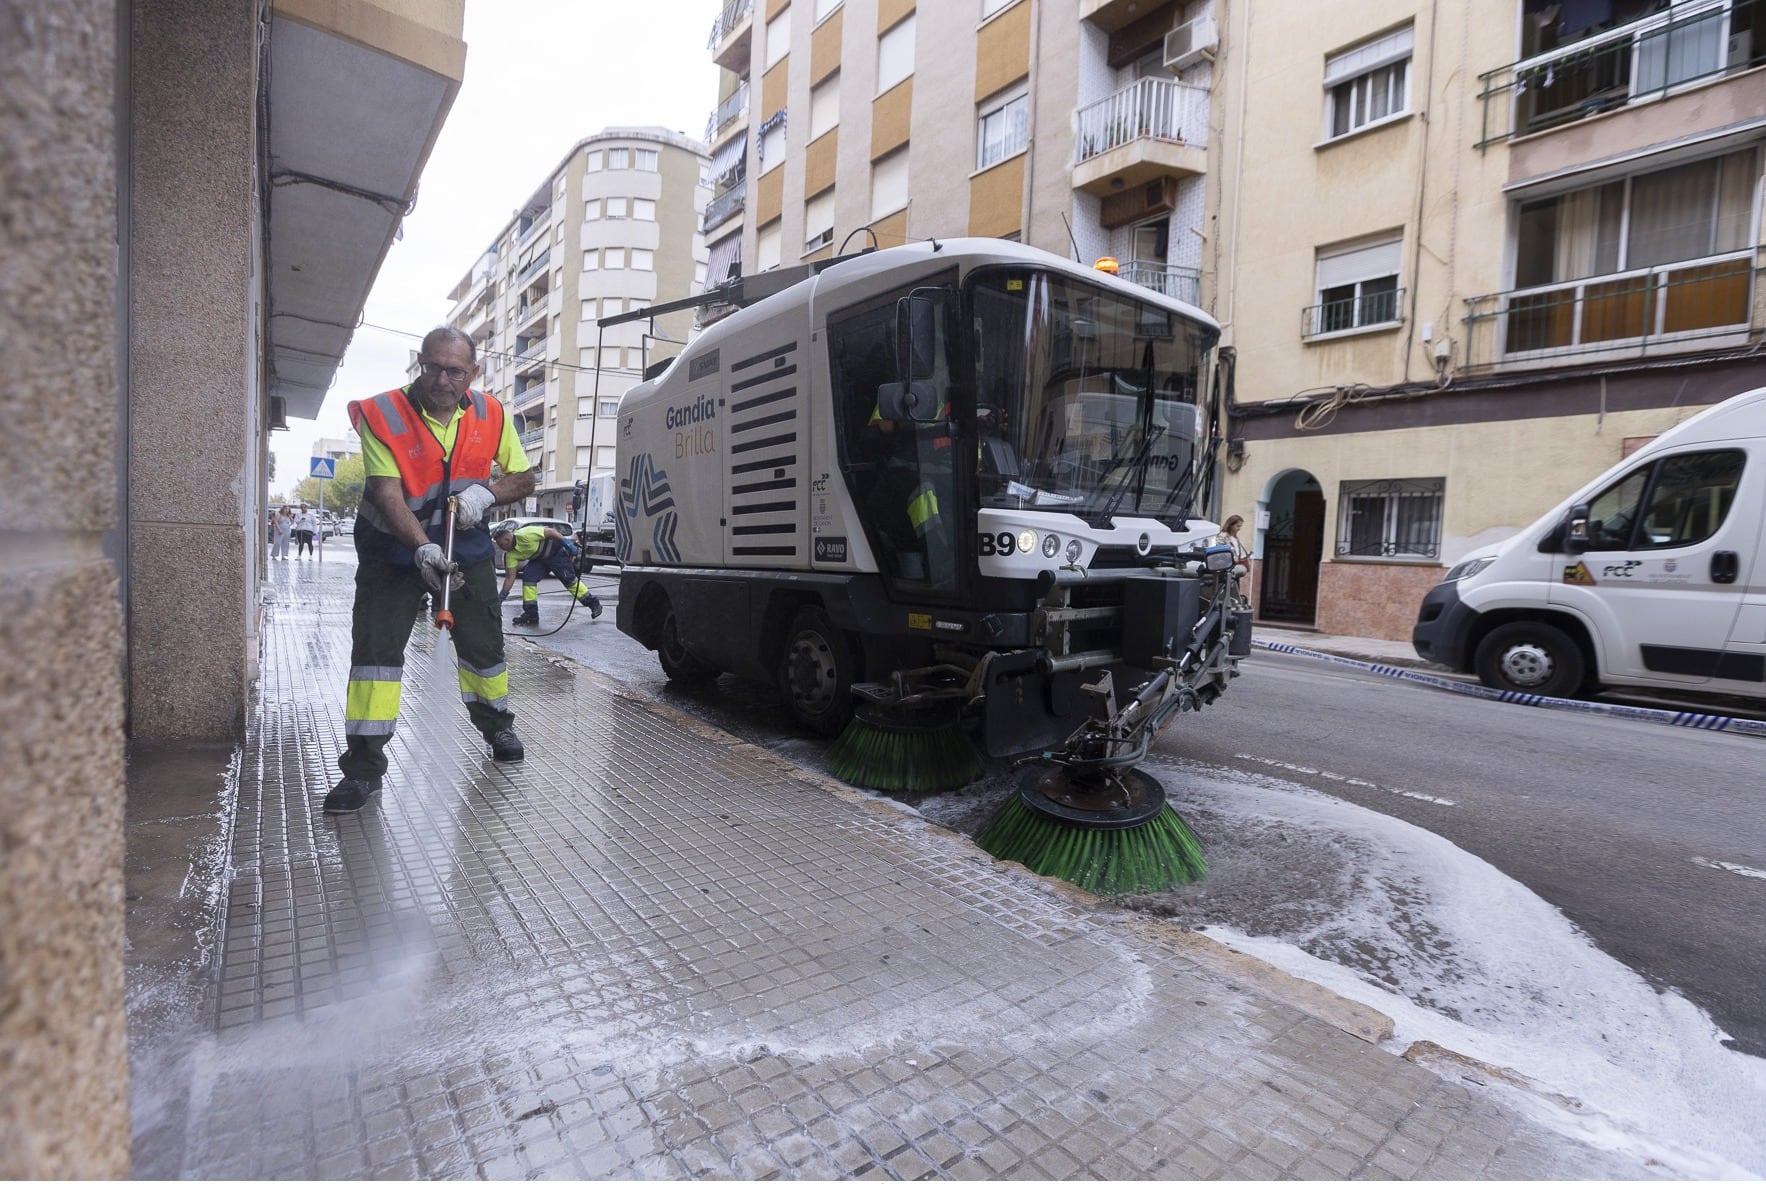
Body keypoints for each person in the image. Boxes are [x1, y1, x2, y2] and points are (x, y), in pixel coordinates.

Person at [323, 327, 536, 816]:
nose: (443, 379)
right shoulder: (383, 413)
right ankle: (362, 770)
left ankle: (497, 724)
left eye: (455, 370)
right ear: (420, 362)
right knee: (376, 656)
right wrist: (421, 549)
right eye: (434, 367)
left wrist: (489, 493)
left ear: (473, 373)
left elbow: (524, 477)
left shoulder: (493, 413)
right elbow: (386, 492)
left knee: (484, 647)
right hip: (392, 554)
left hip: (469, 550)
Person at [492, 520, 603, 626]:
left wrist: (568, 545)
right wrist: (501, 597)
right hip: (539, 559)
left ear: (507, 540)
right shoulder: (510, 555)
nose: (501, 548)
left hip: (556, 555)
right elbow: (510, 577)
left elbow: (551, 532)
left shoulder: (526, 533)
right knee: (528, 579)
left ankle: (594, 604)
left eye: (501, 545)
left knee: (570, 581)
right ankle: (531, 614)